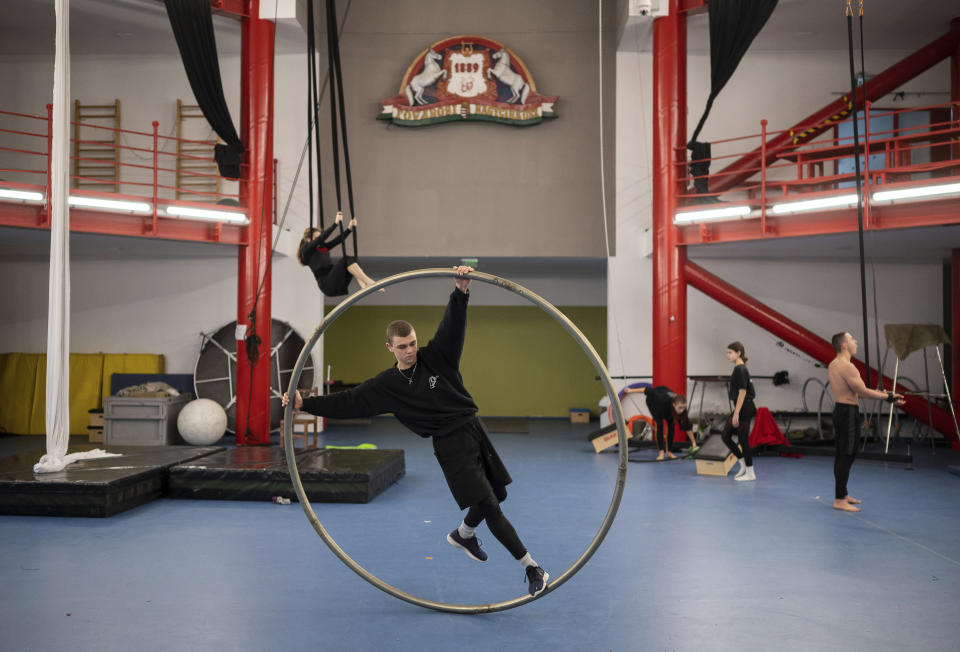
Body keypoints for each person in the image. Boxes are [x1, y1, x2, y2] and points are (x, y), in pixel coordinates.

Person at [283, 266, 549, 597]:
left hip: (473, 429)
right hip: (449, 445)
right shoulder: (386, 386)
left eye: (412, 343)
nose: (409, 350)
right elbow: (348, 402)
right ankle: (531, 567)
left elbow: (453, 327)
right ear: (389, 348)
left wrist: (461, 291)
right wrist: (304, 404)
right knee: (490, 506)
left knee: (499, 494)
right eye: (402, 346)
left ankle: (463, 534)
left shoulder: (437, 358)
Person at [827, 332, 904, 512]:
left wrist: (887, 395)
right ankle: (839, 500)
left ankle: (842, 493)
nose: (856, 342)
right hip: (847, 413)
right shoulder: (848, 367)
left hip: (841, 411)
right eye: (852, 339)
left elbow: (858, 391)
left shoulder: (834, 364)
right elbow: (864, 391)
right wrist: (889, 397)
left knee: (843, 453)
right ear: (844, 345)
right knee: (847, 454)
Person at [297, 211, 378, 296]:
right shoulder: (306, 250)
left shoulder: (321, 247)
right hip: (327, 285)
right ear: (308, 240)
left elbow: (337, 241)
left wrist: (349, 229)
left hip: (336, 281)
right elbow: (321, 238)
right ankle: (369, 281)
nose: (319, 240)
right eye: (316, 237)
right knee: (345, 259)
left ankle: (363, 285)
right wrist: (335, 224)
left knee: (352, 260)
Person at [622, 385, 693, 460]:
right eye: (680, 408)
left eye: (683, 408)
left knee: (671, 425)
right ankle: (661, 452)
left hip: (666, 398)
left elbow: (687, 426)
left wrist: (694, 443)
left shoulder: (681, 409)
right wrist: (630, 391)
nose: (682, 410)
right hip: (653, 403)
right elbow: (647, 389)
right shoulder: (659, 398)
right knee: (660, 425)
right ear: (674, 405)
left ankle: (668, 451)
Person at [721, 341, 758, 482]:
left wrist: (736, 413)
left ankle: (750, 472)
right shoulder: (738, 368)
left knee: (743, 440)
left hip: (744, 407)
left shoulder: (741, 369)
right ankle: (743, 464)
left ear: (739, 353)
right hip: (741, 406)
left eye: (730, 352)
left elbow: (743, 392)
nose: (728, 355)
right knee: (726, 436)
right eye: (727, 352)